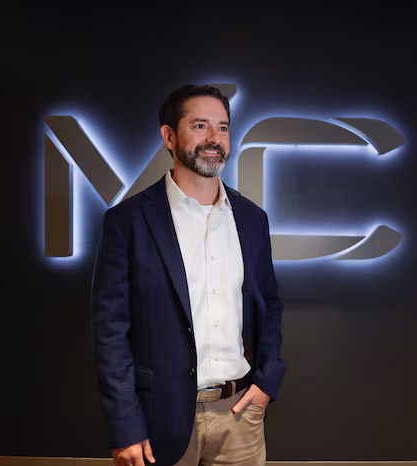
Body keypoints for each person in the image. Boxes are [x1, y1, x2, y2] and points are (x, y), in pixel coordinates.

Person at [91, 84, 286, 466]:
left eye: (223, 128)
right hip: (157, 420)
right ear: (168, 136)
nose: (214, 139)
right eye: (200, 125)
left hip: (239, 416)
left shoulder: (252, 220)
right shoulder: (127, 222)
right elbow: (109, 332)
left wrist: (267, 382)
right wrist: (125, 426)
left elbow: (270, 305)